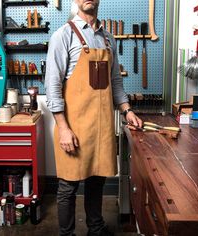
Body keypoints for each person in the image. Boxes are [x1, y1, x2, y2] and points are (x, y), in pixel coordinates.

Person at [45, 0, 142, 235]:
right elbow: (52, 86)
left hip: (101, 126)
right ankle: (66, 233)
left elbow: (115, 82)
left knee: (96, 180)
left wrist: (127, 110)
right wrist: (63, 128)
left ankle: (95, 228)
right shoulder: (63, 35)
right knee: (68, 186)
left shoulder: (108, 38)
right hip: (74, 127)